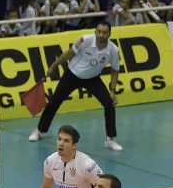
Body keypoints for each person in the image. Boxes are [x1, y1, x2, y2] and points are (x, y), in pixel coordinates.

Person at [28, 21, 124, 151]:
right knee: (54, 102)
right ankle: (40, 130)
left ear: (109, 34)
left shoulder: (113, 50)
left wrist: (112, 90)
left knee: (109, 103)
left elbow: (115, 70)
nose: (101, 35)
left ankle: (110, 139)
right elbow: (69, 53)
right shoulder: (85, 40)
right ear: (95, 31)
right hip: (72, 75)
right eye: (99, 31)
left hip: (92, 78)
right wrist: (53, 66)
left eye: (104, 32)